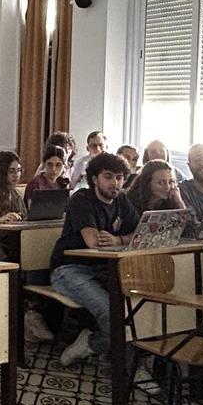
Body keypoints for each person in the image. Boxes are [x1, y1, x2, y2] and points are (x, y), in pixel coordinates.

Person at [49, 153, 140, 366]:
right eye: (108, 177)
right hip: (69, 269)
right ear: (94, 179)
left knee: (137, 307)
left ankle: (95, 346)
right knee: (111, 311)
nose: (115, 183)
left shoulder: (122, 200)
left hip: (106, 269)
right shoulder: (81, 199)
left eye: (119, 177)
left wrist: (118, 239)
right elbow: (94, 242)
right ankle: (116, 362)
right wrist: (125, 240)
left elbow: (141, 236)